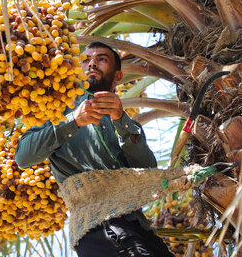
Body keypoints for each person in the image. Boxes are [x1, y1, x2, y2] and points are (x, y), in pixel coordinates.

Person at [15, 41, 174, 257]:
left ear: (118, 76)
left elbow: (147, 170)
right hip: (99, 230)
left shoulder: (125, 124)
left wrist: (121, 120)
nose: (92, 63)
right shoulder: (55, 109)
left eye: (101, 59)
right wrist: (72, 121)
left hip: (140, 229)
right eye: (86, 59)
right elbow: (23, 156)